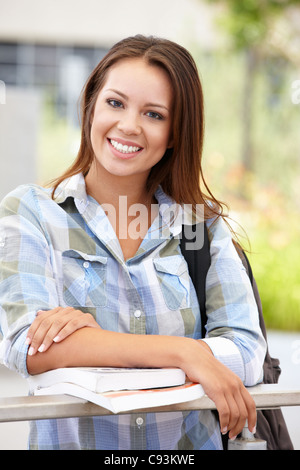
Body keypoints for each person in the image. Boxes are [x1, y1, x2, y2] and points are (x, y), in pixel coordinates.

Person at [0, 35, 266, 450]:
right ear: (91, 104)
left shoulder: (199, 227)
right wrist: (186, 355)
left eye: (154, 114)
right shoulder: (32, 212)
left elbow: (248, 352)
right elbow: (26, 347)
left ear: (175, 133)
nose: (129, 125)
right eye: (115, 103)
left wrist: (91, 344)